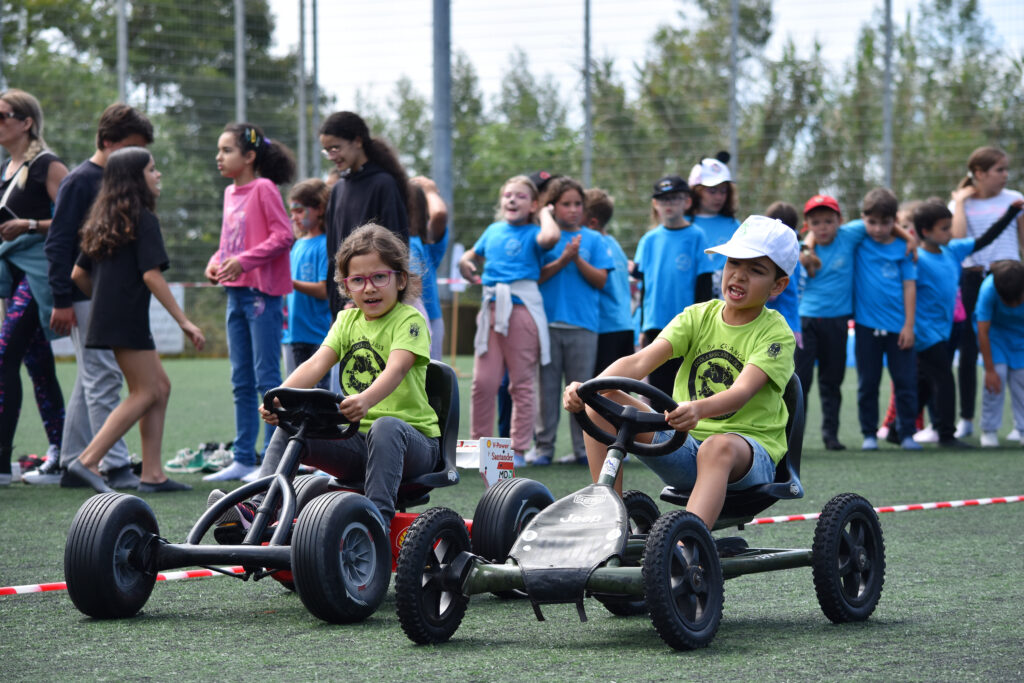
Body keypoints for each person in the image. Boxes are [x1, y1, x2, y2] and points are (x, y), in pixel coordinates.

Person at [563, 215, 798, 530]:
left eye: (756, 270)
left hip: (747, 457)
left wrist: (697, 409)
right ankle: (609, 523)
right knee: (599, 403)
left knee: (716, 447)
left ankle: (689, 544)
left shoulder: (775, 333)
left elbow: (741, 392)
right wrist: (588, 388)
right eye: (733, 263)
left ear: (778, 285)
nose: (739, 276)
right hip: (684, 446)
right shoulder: (698, 316)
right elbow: (639, 362)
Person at [211, 224, 439, 539]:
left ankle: (374, 525)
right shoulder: (346, 320)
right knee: (291, 424)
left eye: (379, 277)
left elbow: (397, 369)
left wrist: (366, 399)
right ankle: (257, 510)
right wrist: (280, 398)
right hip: (357, 441)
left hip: (413, 445)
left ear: (400, 279)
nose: (369, 288)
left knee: (385, 426)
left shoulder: (409, 319)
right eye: (357, 280)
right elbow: (316, 363)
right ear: (346, 286)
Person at [25, 103, 154, 488]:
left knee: (91, 378)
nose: (138, 158)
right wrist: (62, 300)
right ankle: (113, 464)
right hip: (83, 297)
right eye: (131, 147)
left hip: (102, 297)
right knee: (104, 377)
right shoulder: (80, 180)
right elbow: (58, 243)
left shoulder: (114, 180)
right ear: (108, 142)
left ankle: (72, 461)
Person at [63, 147, 205, 493]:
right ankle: (86, 461)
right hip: (126, 319)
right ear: (134, 179)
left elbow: (78, 274)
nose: (158, 175)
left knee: (160, 387)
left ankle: (152, 475)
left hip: (113, 317)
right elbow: (151, 275)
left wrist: (104, 301)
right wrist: (184, 322)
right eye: (152, 170)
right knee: (145, 392)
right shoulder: (143, 219)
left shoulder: (103, 220)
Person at [204, 123, 295, 482]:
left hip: (262, 297)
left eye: (226, 150)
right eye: (219, 150)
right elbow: (230, 242)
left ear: (250, 156)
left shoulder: (264, 188)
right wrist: (216, 261)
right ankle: (243, 457)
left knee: (267, 379)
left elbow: (283, 235)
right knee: (240, 378)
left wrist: (244, 261)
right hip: (235, 294)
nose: (219, 157)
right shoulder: (230, 192)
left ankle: (270, 462)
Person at [459, 176, 559, 467]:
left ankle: (518, 449)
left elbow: (551, 238)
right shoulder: (492, 230)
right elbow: (471, 255)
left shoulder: (535, 232)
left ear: (533, 205)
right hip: (490, 310)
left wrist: (545, 213)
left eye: (521, 196)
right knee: (483, 383)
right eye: (507, 195)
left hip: (521, 311)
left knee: (522, 384)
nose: (512, 200)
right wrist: (464, 262)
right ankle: (479, 448)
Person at [913, 198, 1022, 448]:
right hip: (925, 332)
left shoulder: (953, 250)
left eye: (950, 226)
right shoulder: (916, 258)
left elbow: (985, 239)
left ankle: (899, 428)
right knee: (944, 379)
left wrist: (1010, 214)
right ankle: (947, 434)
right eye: (944, 228)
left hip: (947, 329)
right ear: (925, 231)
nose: (951, 232)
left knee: (925, 381)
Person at [0, 89, 69, 486]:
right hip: (12, 273)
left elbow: (74, 219)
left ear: (26, 122)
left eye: (3, 116)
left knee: (3, 356)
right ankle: (60, 453)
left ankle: (1, 461)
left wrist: (27, 225)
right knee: (38, 365)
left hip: (39, 275)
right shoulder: (5, 169)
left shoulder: (47, 164)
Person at [534, 176, 614, 466]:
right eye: (566, 204)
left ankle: (583, 449)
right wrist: (563, 259)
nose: (573, 209)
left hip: (584, 326)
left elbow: (601, 280)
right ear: (552, 207)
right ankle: (544, 448)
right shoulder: (543, 237)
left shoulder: (594, 239)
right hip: (547, 325)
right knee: (546, 391)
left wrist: (577, 259)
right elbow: (536, 277)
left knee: (582, 391)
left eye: (578, 204)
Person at [949, 146, 1024, 440]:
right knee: (968, 351)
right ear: (979, 173)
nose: (1005, 175)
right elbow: (958, 239)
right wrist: (960, 202)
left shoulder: (1014, 199)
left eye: (1006, 169)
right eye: (999, 170)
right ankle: (967, 419)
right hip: (973, 280)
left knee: (1016, 352)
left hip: (1010, 280)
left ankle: (1019, 424)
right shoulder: (961, 203)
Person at [319, 111, 409, 317]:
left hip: (375, 305)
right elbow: (333, 255)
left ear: (357, 141)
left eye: (335, 148)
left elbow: (396, 250)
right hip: (344, 307)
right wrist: (339, 303)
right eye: (327, 151)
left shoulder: (383, 184)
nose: (332, 156)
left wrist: (362, 297)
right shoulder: (338, 189)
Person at [851, 188, 919, 451]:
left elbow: (909, 286)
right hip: (866, 327)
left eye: (885, 222)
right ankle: (869, 434)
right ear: (863, 219)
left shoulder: (904, 249)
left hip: (899, 328)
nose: (878, 229)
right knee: (868, 383)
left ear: (895, 220)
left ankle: (907, 433)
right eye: (872, 222)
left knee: (905, 382)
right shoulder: (858, 241)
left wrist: (909, 326)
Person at [634, 175, 714, 396]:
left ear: (687, 202)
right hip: (655, 324)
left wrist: (702, 325)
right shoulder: (648, 240)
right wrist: (642, 325)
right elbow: (645, 287)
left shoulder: (697, 236)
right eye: (663, 199)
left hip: (686, 324)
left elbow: (704, 285)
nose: (668, 204)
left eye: (675, 198)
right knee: (658, 390)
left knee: (686, 389)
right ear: (655, 204)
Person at [284, 178, 332, 388]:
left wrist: (289, 282)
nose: (293, 217)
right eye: (292, 211)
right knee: (298, 396)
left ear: (319, 209)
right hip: (296, 334)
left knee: (319, 396)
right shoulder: (297, 245)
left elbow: (323, 290)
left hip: (318, 336)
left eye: (299, 210)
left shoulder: (324, 244)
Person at [975, 260, 1024, 447]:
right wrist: (989, 370)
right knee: (997, 377)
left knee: (1021, 379)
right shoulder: (988, 290)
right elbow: (982, 331)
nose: (1013, 305)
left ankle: (1022, 429)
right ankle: (989, 429)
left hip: (1021, 337)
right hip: (995, 336)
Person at [588, 188, 633, 376]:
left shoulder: (594, 244)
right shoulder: (613, 243)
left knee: (600, 389)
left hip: (606, 327)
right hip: (625, 325)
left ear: (592, 222)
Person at [687, 152, 740, 298]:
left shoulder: (734, 225)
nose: (719, 197)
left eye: (723, 191)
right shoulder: (683, 223)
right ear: (696, 191)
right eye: (712, 191)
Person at [408, 176, 449, 360]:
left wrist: (430, 191)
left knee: (429, 373)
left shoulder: (427, 242)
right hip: (399, 318)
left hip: (429, 318)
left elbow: (439, 213)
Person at [763, 201, 802, 344]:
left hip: (776, 326)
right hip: (793, 323)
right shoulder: (795, 250)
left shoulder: (779, 254)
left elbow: (771, 296)